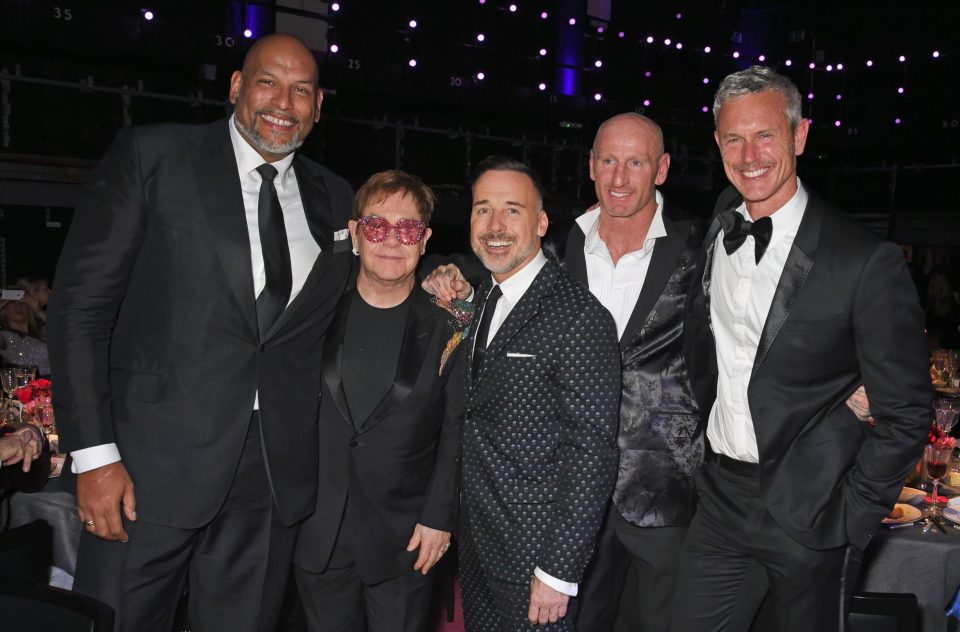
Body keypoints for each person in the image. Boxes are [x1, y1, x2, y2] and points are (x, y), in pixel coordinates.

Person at [46, 33, 354, 632]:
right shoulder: (153, 156)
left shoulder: (334, 196)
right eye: (268, 82)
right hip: (143, 473)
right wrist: (93, 456)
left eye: (301, 91)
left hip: (269, 480)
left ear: (319, 106)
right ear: (237, 87)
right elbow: (79, 313)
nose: (283, 104)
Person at [673, 65, 932, 632]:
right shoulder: (718, 227)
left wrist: (851, 515)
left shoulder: (862, 260)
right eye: (734, 139)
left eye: (766, 135)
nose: (750, 155)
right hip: (719, 497)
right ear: (717, 143)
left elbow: (908, 411)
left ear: (800, 136)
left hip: (814, 511)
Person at [293, 170, 467, 631]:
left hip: (407, 540)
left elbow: (455, 431)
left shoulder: (448, 327)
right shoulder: (313, 312)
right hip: (317, 532)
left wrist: (438, 518)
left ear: (425, 239)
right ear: (354, 233)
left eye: (407, 228)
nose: (392, 240)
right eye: (376, 226)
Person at [456, 156, 621, 631]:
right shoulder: (481, 298)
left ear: (541, 222)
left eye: (512, 210)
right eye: (482, 209)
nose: (494, 225)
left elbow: (591, 452)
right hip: (478, 544)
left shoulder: (579, 317)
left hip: (535, 555)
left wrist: (558, 570)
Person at [560, 113, 705, 632]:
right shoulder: (555, 249)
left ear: (661, 169)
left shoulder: (703, 250)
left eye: (636, 162)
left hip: (665, 490)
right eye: (609, 161)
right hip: (571, 492)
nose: (619, 178)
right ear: (592, 166)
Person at [0, 294, 49, 375]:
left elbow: (67, 334)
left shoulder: (43, 331)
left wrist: (39, 312)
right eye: (12, 302)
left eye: (23, 302)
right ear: (4, 308)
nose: (18, 306)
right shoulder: (4, 336)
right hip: (25, 385)